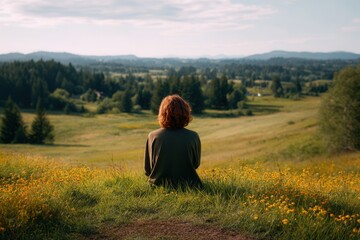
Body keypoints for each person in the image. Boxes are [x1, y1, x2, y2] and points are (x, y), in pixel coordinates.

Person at [144, 94, 202, 189]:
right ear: (186, 112)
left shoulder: (153, 136)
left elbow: (148, 169)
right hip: (190, 186)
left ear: (162, 113)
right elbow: (196, 164)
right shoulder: (193, 136)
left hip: (158, 186)